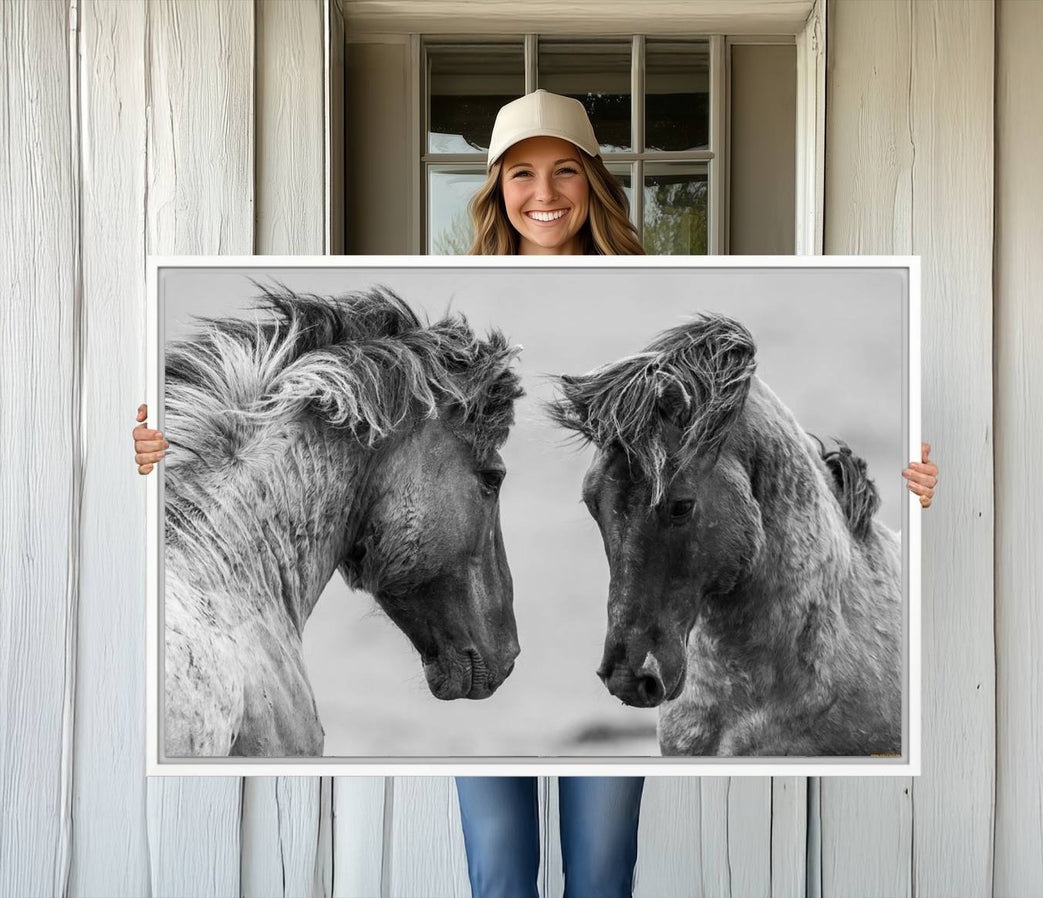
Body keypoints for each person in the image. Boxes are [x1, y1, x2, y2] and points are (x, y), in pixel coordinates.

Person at [130, 89, 939, 898]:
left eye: (564, 173)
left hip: (620, 662)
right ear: (493, 189)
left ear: (595, 183)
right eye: (520, 174)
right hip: (538, 673)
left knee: (598, 872)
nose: (544, 195)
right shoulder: (442, 324)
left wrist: (923, 484)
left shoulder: (663, 306)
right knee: (499, 874)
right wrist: (154, 459)